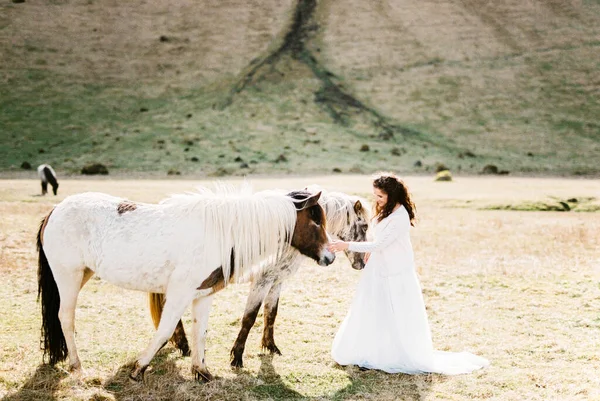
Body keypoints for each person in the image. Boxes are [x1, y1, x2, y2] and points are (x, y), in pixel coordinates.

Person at [328, 172, 489, 375]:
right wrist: (368, 250)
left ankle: (391, 353)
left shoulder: (400, 217)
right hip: (378, 267)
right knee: (373, 307)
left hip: (394, 271)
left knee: (394, 311)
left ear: (392, 195)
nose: (376, 200)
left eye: (380, 196)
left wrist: (346, 245)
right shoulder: (385, 210)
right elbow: (376, 236)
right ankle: (369, 349)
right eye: (375, 195)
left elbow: (380, 243)